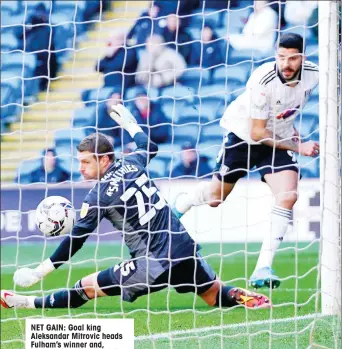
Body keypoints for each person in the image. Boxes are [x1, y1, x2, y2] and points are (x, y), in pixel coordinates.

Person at [1, 105, 271, 311]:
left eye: (85, 162)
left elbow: (75, 241)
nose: (80, 168)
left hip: (152, 262)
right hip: (182, 245)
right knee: (213, 293)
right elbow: (148, 145)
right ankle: (244, 296)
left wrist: (40, 272)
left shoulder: (99, 196)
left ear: (104, 159)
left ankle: (24, 302)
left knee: (87, 287)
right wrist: (131, 124)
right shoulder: (133, 163)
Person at [173, 33, 319, 289]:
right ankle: (183, 200)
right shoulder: (264, 80)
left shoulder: (315, 74)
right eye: (281, 57)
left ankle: (263, 267)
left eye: (292, 58)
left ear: (302, 58)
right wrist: (299, 145)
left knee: (288, 195)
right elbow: (257, 133)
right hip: (244, 136)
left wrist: (292, 132)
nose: (286, 64)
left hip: (278, 139)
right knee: (216, 198)